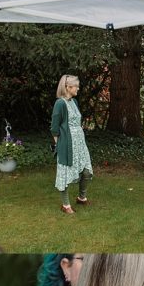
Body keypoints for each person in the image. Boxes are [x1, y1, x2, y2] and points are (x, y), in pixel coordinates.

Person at [51, 75, 94, 215]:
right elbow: (54, 128)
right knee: (65, 174)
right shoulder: (60, 104)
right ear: (68, 87)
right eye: (76, 86)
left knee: (86, 171)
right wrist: (59, 145)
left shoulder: (74, 101)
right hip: (67, 144)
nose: (78, 88)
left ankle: (81, 198)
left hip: (80, 144)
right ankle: (65, 204)